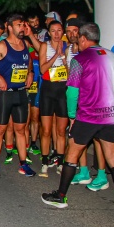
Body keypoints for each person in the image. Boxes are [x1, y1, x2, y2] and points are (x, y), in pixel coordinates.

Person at [41, 23, 114, 218]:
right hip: (110, 117)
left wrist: (72, 116)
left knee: (72, 153)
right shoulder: (113, 56)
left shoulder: (80, 59)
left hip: (87, 116)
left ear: (83, 39)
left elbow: (72, 92)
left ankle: (60, 196)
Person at [0, 14, 36, 177]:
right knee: (0, 129)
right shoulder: (2, 46)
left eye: (24, 25)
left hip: (21, 93)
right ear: (9, 27)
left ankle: (23, 164)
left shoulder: (25, 43)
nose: (23, 28)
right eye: (20, 25)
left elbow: (29, 61)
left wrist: (30, 73)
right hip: (5, 94)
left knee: (21, 129)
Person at [37, 20, 69, 177]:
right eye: (53, 31)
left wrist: (64, 59)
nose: (56, 34)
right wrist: (56, 55)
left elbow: (72, 73)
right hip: (48, 89)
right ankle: (44, 162)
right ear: (49, 33)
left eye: (59, 31)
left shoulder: (68, 46)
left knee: (61, 130)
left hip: (63, 90)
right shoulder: (45, 46)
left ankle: (61, 162)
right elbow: (42, 68)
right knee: (47, 130)